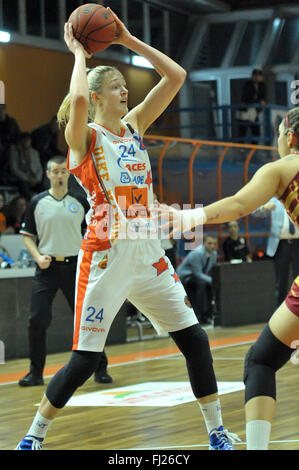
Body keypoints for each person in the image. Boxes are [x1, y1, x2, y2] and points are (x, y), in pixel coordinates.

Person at [15, 11, 239, 451]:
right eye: (116, 87)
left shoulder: (134, 128)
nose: (124, 91)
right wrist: (79, 54)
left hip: (148, 252)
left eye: (124, 86)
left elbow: (175, 75)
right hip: (105, 255)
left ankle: (215, 432)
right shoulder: (85, 139)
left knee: (194, 339)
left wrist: (130, 39)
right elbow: (76, 104)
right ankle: (34, 434)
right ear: (98, 96)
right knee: (84, 360)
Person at [152, 106, 299, 450]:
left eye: (278, 133)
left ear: (289, 137)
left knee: (261, 359)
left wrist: (187, 218)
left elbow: (237, 205)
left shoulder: (281, 168)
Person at [18, 156, 112, 387]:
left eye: (63, 171)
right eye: (55, 172)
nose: (59, 175)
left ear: (68, 174)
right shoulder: (37, 202)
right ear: (48, 174)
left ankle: (100, 368)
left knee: (86, 319)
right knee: (37, 319)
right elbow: (27, 236)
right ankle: (35, 373)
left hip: (76, 268)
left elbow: (95, 233)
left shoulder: (81, 201)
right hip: (47, 269)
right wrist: (38, 257)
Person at [252, 197, 299, 307]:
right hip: (281, 245)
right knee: (281, 281)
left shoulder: (296, 199)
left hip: (298, 243)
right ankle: (280, 316)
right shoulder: (274, 200)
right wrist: (264, 207)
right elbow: (255, 213)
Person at [177, 235, 218, 324]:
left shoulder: (214, 254)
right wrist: (212, 280)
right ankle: (198, 315)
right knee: (201, 285)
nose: (212, 246)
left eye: (214, 244)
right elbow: (197, 273)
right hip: (185, 277)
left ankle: (208, 314)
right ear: (204, 243)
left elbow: (210, 270)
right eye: (210, 243)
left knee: (209, 286)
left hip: (197, 276)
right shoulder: (197, 254)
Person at [9, 132, 44, 199]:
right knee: (24, 189)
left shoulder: (34, 152)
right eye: (25, 140)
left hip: (34, 179)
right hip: (22, 179)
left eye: (28, 140)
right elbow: (14, 169)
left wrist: (36, 179)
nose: (27, 142)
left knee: (43, 189)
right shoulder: (15, 152)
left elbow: (39, 168)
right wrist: (27, 179)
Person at [238, 68, 267, 144]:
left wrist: (261, 101)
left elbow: (263, 96)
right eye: (255, 76)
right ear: (252, 76)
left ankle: (254, 148)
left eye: (258, 76)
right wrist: (258, 101)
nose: (257, 77)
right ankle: (240, 148)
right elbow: (247, 97)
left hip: (254, 111)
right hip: (245, 110)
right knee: (242, 130)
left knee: (256, 130)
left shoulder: (262, 85)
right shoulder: (247, 84)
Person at [0, 103, 21, 183]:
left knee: (10, 151)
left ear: (5, 110)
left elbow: (19, 136)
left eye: (1, 109)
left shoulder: (12, 122)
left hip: (11, 147)